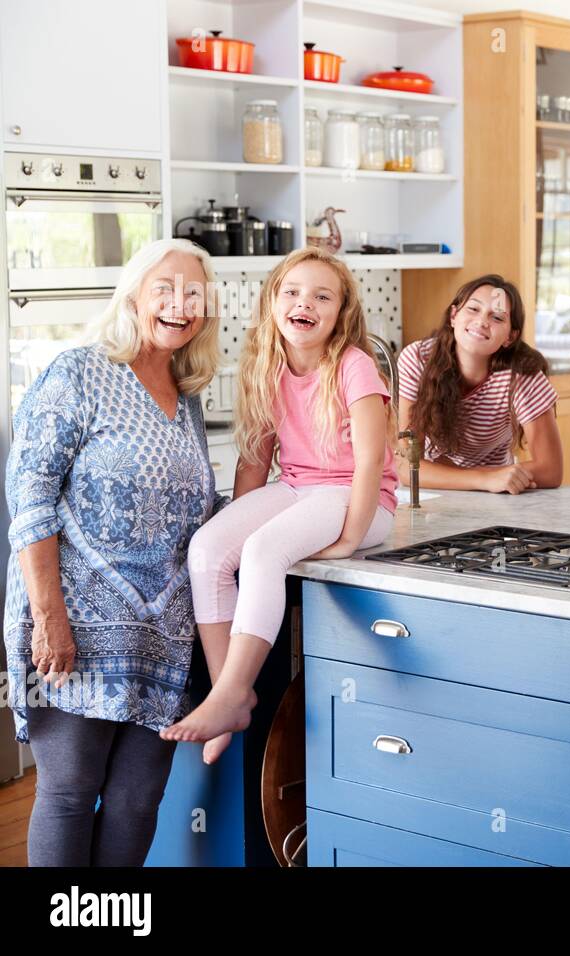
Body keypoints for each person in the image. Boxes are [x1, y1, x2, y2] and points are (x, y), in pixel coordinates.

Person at [4, 238, 221, 864]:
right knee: (70, 792)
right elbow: (31, 498)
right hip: (75, 625)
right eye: (164, 289)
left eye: (192, 294)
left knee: (137, 799)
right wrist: (50, 619)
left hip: (159, 635)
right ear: (132, 294)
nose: (179, 305)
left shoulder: (187, 397)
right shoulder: (78, 372)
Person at [162, 248, 398, 764]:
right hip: (299, 490)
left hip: (359, 498)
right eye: (291, 292)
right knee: (206, 548)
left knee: (266, 550)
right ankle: (232, 693)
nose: (303, 302)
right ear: (272, 302)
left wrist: (351, 537)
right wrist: (233, 528)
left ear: (341, 313)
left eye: (321, 296)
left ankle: (226, 695)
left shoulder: (355, 366)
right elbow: (256, 460)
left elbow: (369, 463)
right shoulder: (268, 366)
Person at [397, 275, 562, 494]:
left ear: (510, 337)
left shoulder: (522, 375)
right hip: (435, 487)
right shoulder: (418, 359)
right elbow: (406, 465)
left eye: (497, 317)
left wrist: (495, 478)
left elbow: (551, 469)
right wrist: (484, 478)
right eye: (474, 309)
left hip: (496, 493)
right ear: (454, 316)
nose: (482, 321)